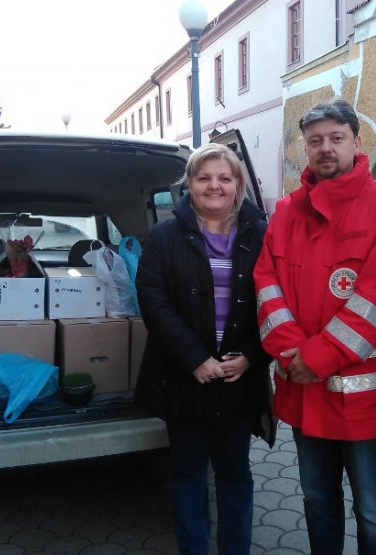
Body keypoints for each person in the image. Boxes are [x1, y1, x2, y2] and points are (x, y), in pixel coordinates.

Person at [254, 98, 376, 555]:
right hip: (303, 390)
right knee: (317, 498)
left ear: (357, 143)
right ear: (305, 148)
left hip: (361, 396)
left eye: (336, 138)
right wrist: (291, 354)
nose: (326, 148)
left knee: (373, 509)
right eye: (315, 141)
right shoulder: (286, 210)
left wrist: (316, 357)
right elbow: (267, 284)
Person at [134, 143, 272, 555]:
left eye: (224, 178)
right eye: (203, 177)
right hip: (183, 377)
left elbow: (278, 301)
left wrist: (252, 355)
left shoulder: (260, 234)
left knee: (234, 472)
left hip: (238, 376)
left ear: (238, 184)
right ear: (189, 184)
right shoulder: (163, 236)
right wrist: (195, 359)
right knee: (188, 471)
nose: (214, 185)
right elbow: (153, 301)